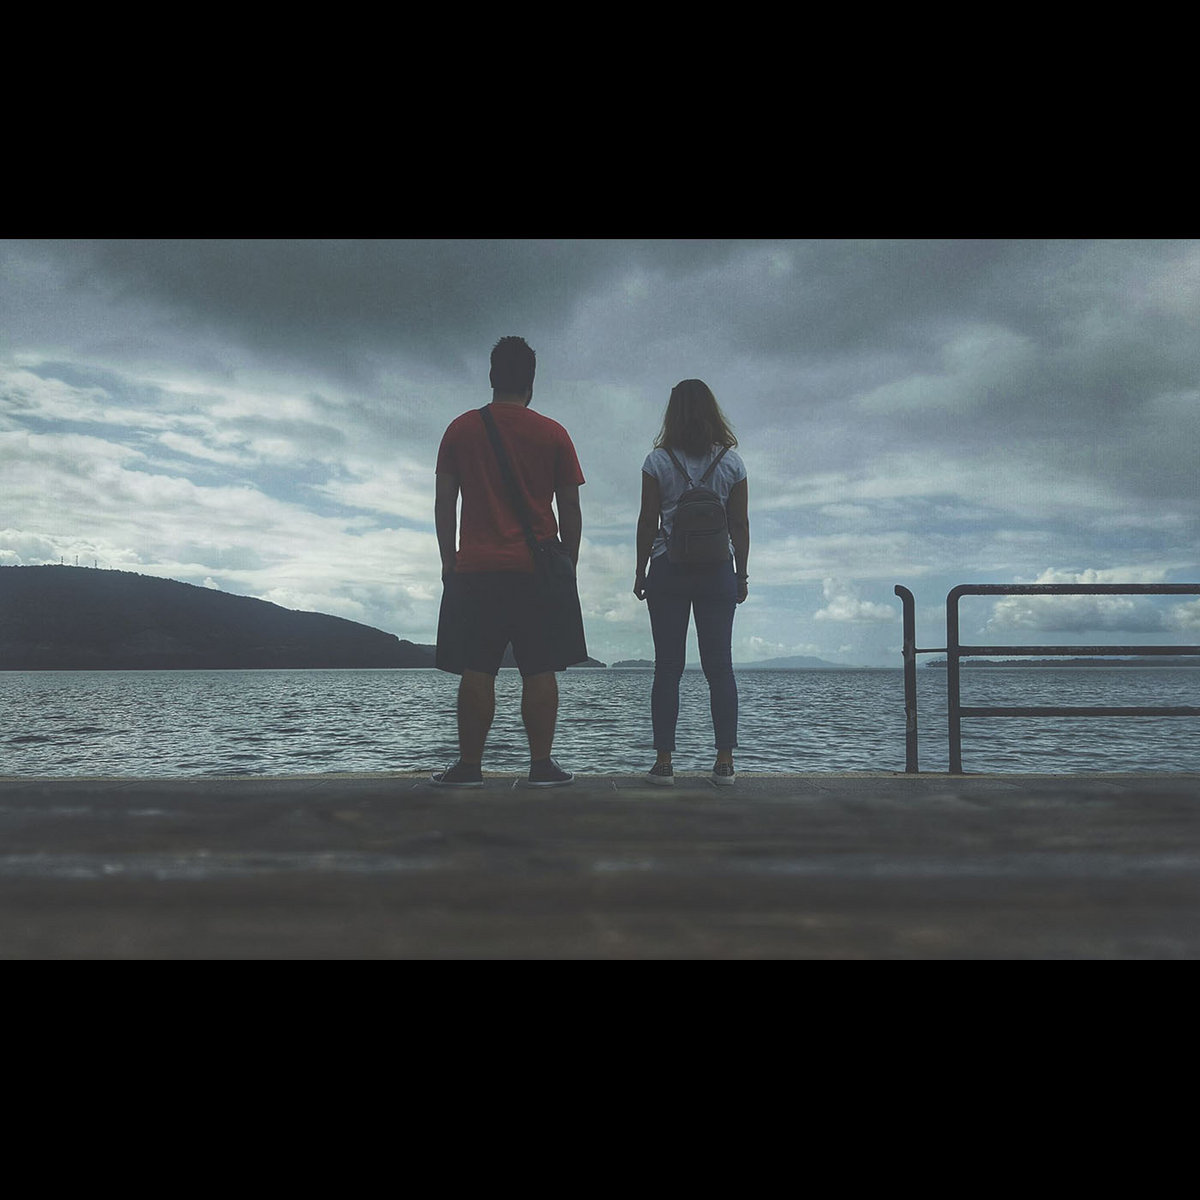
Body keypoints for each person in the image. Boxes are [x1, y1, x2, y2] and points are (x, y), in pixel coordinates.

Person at [431, 336, 587, 788]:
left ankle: (469, 767)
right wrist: (569, 564)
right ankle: (541, 766)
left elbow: (445, 503)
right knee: (539, 668)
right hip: (538, 572)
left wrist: (448, 561)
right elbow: (570, 507)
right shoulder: (554, 433)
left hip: (476, 570)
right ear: (531, 383)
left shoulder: (460, 429)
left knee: (477, 668)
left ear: (491, 377)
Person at [634, 379, 749, 786]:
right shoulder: (732, 464)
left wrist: (640, 570)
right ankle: (724, 764)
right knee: (720, 668)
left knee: (667, 668)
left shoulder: (657, 461)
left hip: (669, 568)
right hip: (717, 571)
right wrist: (741, 574)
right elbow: (739, 524)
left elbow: (647, 521)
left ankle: (664, 764)